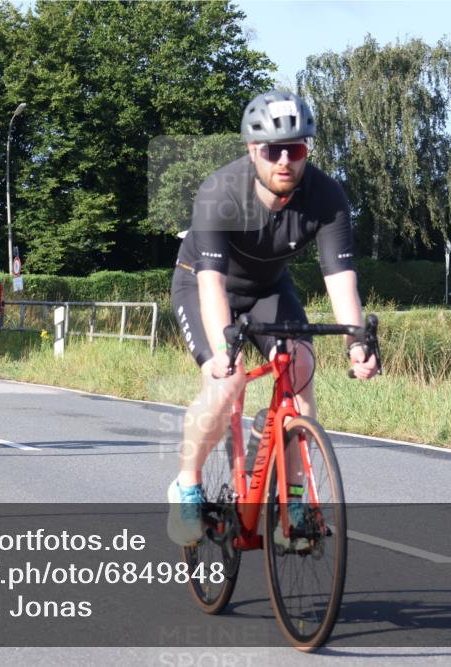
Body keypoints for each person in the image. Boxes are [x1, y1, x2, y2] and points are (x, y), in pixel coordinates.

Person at [167, 91, 378, 546]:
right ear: (251, 150)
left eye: (296, 148)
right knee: (227, 382)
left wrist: (356, 343)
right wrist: (223, 353)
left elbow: (341, 279)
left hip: (268, 288)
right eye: (272, 150)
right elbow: (211, 285)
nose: (284, 160)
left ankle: (295, 500)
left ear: (307, 149)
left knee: (300, 365)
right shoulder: (220, 192)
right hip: (202, 284)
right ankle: (187, 484)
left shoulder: (326, 196)